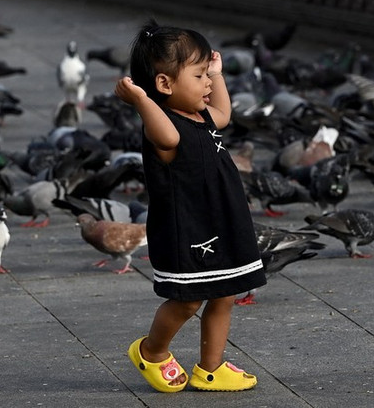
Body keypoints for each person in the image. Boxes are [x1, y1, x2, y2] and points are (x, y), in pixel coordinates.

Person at [114, 20, 266, 392]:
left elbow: (224, 115)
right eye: (199, 76)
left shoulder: (201, 117)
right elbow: (166, 135)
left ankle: (211, 368)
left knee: (225, 292)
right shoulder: (162, 126)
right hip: (189, 229)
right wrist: (141, 102)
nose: (208, 84)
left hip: (221, 219)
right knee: (187, 300)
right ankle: (152, 351)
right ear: (165, 85)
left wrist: (219, 75)